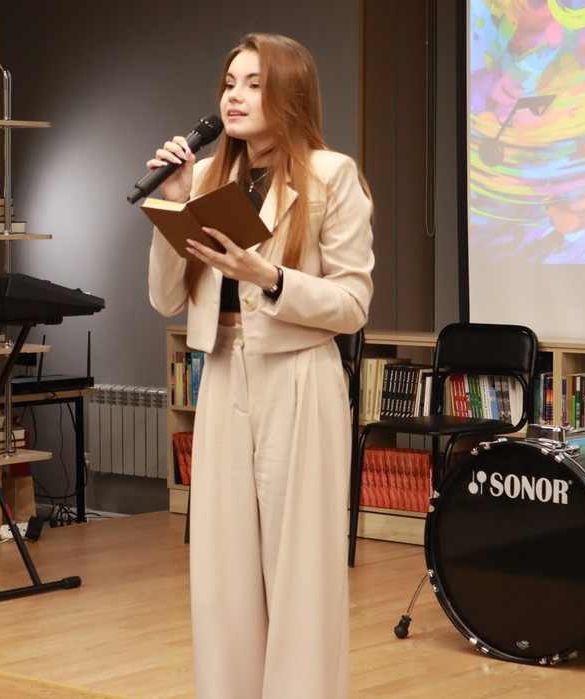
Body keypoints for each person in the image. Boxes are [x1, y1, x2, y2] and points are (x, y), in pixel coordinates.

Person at [146, 33, 374, 699]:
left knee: (300, 567)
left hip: (298, 374)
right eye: (229, 84)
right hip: (221, 371)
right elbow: (165, 298)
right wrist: (172, 203)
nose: (234, 97)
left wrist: (269, 277)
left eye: (253, 84)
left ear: (290, 94)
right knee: (223, 569)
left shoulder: (332, 175)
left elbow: (353, 304)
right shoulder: (206, 177)